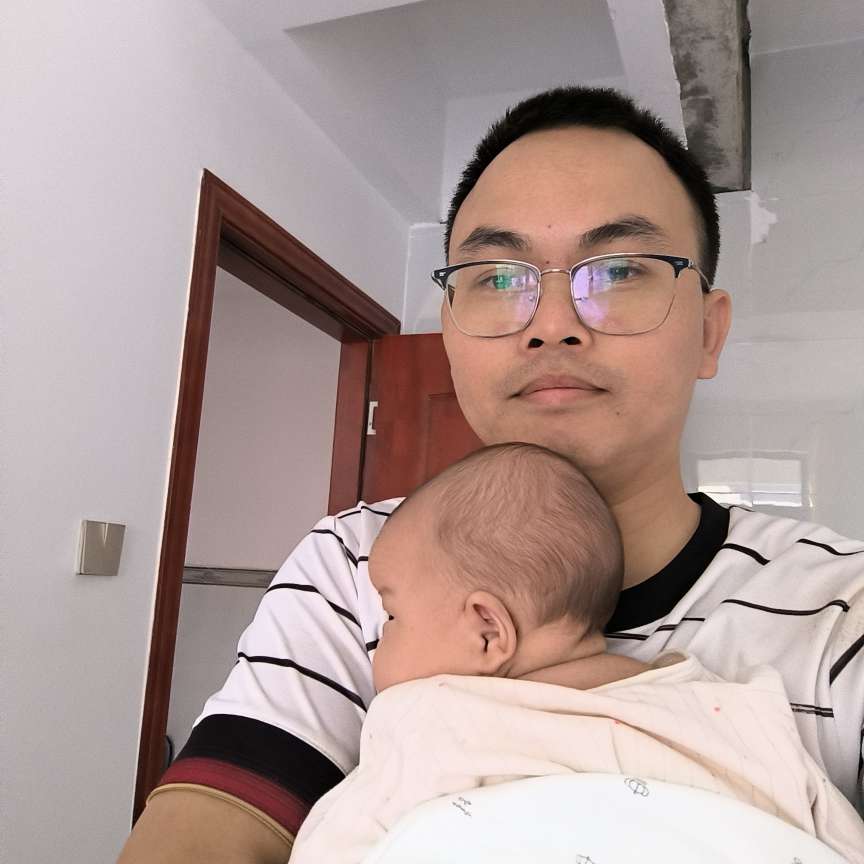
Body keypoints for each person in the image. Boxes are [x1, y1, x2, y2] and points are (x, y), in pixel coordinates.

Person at [117, 86, 864, 864]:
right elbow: (209, 831)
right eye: (499, 278)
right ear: (448, 331)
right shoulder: (356, 565)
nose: (552, 325)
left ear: (709, 332)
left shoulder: (840, 615)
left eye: (618, 270)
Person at [288, 442, 864, 863]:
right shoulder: (730, 704)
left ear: (488, 631)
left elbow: (337, 844)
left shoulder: (427, 718)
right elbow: (829, 829)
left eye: (392, 615)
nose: (382, 636)